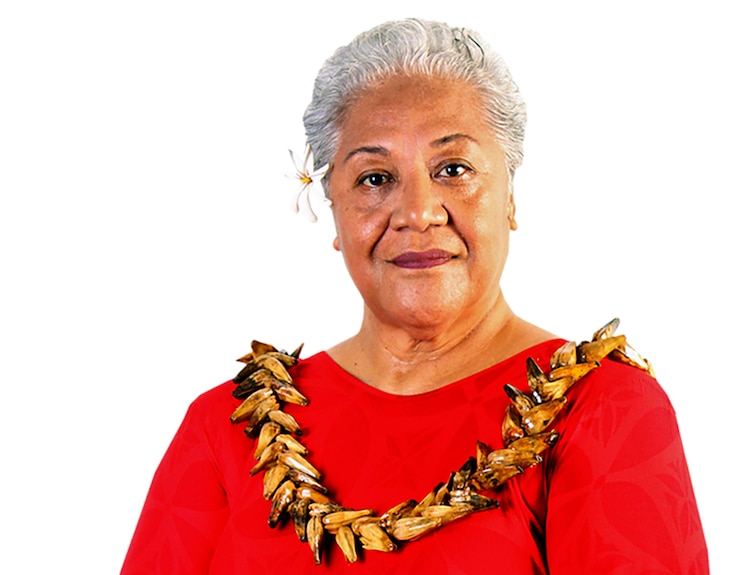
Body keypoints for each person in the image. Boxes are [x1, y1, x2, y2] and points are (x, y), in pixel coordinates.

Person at [121, 18, 708, 574]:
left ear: (510, 197)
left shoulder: (603, 412)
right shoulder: (229, 428)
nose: (418, 212)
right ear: (335, 210)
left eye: (453, 168)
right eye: (374, 178)